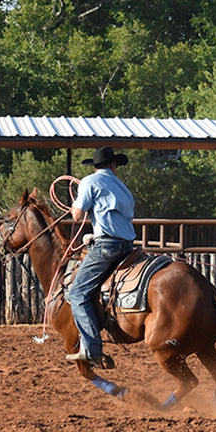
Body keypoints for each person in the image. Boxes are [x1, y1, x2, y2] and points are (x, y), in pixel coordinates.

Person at [64, 147, 136, 367]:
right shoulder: (123, 187)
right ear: (113, 165)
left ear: (95, 166)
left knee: (77, 293)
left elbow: (76, 215)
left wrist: (76, 205)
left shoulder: (88, 182)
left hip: (107, 246)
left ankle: (92, 349)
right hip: (128, 245)